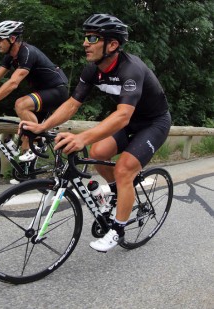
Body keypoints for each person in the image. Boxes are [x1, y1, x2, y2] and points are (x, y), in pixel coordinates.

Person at [20, 13, 171, 252]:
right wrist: (42, 126)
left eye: (92, 38)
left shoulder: (131, 70)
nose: (84, 43)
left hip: (154, 122)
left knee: (123, 170)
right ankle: (119, 193)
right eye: (85, 37)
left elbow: (123, 115)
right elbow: (71, 104)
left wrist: (81, 137)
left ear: (112, 44)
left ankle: (118, 229)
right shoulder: (92, 70)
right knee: (99, 152)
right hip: (130, 120)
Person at [0, 20, 69, 162]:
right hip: (43, 93)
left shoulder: (28, 53)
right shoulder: (10, 57)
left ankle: (39, 142)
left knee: (21, 104)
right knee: (25, 136)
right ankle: (26, 177)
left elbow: (13, 83)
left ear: (12, 39)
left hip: (57, 91)